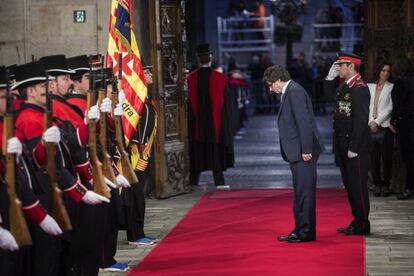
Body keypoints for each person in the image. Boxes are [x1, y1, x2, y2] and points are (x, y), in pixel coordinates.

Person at [263, 65, 324, 243]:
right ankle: (299, 229)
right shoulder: (290, 91)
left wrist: (306, 150)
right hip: (297, 151)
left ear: (279, 80)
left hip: (303, 152)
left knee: (304, 193)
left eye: (270, 84)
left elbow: (304, 122)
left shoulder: (294, 91)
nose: (269, 88)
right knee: (300, 193)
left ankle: (306, 232)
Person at [329, 52, 371, 235]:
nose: (338, 68)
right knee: (350, 185)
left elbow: (361, 120)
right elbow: (331, 100)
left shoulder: (359, 88)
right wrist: (329, 78)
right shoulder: (346, 86)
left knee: (358, 186)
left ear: (351, 66)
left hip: (355, 148)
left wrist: (353, 146)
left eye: (341, 65)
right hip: (343, 145)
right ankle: (357, 220)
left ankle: (363, 222)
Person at [187, 43, 234, 188]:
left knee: (197, 157)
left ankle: (193, 182)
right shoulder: (221, 79)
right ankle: (219, 182)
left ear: (198, 59)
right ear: (211, 59)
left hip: (196, 127)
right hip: (215, 128)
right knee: (215, 157)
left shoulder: (189, 79)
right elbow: (227, 107)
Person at [126, 60, 158, 246]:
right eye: (147, 72)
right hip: (137, 155)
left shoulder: (144, 99)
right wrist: (140, 153)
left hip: (144, 153)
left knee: (139, 194)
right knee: (136, 195)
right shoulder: (137, 102)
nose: (151, 75)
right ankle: (135, 234)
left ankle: (138, 231)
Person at [367, 60, 394, 197]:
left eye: (388, 71)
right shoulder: (369, 86)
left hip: (384, 127)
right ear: (378, 71)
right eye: (383, 70)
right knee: (374, 159)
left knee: (386, 158)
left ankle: (386, 185)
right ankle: (377, 184)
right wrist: (371, 122)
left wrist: (376, 122)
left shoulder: (391, 87)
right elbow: (366, 106)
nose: (386, 73)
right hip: (370, 127)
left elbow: (389, 108)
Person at [391, 56, 414, 200]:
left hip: (406, 124)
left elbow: (398, 105)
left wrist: (394, 121)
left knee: (409, 157)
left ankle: (409, 187)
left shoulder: (400, 82)